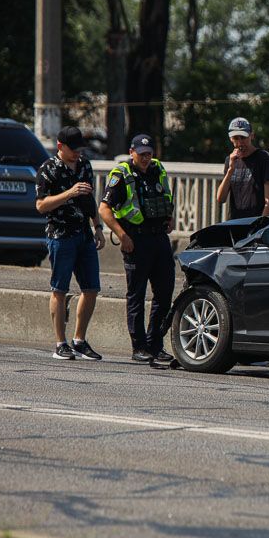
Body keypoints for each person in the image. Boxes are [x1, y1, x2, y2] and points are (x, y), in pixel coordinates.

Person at [99, 134, 176, 365]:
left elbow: (166, 197)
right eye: (141, 153)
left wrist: (170, 217)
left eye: (149, 153)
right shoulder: (121, 175)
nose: (145, 157)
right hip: (136, 241)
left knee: (164, 294)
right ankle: (139, 346)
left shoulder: (157, 170)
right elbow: (104, 209)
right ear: (132, 152)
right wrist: (122, 235)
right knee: (137, 296)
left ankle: (155, 344)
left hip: (159, 240)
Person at [35, 126, 105, 360]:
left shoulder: (85, 165)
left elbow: (89, 198)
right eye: (72, 149)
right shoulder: (48, 169)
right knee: (59, 289)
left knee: (91, 288)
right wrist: (69, 193)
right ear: (60, 147)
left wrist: (97, 227)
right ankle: (59, 343)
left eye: (79, 149)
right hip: (60, 234)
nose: (77, 154)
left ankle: (79, 340)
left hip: (83, 233)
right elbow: (41, 205)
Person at [215, 117, 269, 220]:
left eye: (243, 137)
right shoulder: (230, 160)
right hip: (234, 223)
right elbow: (221, 198)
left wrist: (259, 228)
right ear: (231, 139)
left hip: (254, 223)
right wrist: (230, 170)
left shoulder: (264, 159)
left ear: (251, 136)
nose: (240, 142)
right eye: (236, 138)